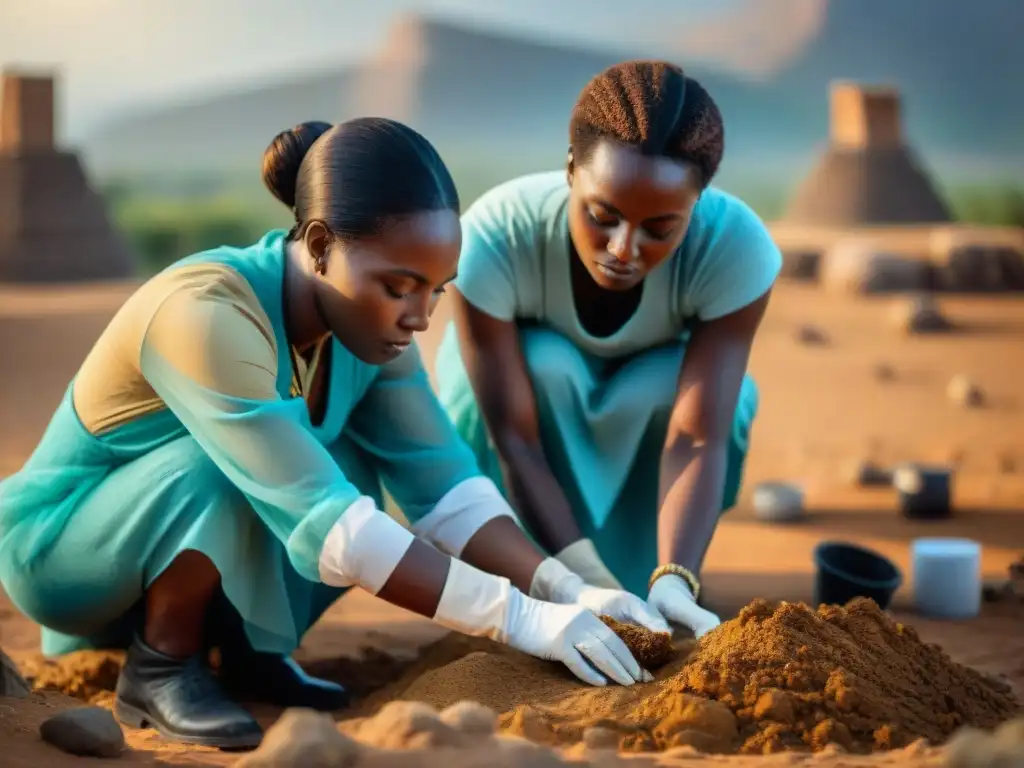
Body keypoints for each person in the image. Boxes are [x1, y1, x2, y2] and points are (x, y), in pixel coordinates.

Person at [0, 118, 670, 750]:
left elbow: (448, 491)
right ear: (320, 246)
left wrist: (565, 589)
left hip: (183, 553)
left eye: (436, 291)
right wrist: (520, 619)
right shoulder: (205, 313)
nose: (420, 318)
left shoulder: (366, 327)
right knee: (234, 469)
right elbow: (334, 528)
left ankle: (250, 655)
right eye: (401, 286)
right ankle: (161, 665)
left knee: (353, 462)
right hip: (68, 557)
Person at [435, 61, 782, 638]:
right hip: (526, 415)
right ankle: (521, 578)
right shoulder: (497, 235)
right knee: (545, 363)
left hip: (650, 405)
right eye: (603, 216)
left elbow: (698, 435)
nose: (624, 248)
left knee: (720, 395)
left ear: (699, 200)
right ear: (571, 170)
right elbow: (513, 438)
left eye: (659, 229)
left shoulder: (734, 247)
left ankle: (657, 581)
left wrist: (677, 575)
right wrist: (579, 579)